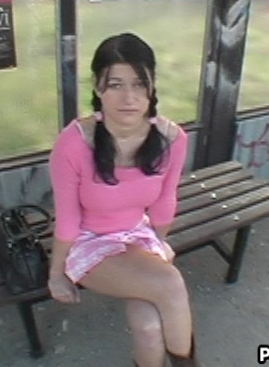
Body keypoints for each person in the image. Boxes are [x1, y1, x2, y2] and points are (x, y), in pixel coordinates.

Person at [48, 33, 204, 367]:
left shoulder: (171, 139)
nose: (129, 98)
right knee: (171, 284)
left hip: (137, 235)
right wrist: (56, 274)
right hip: (87, 242)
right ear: (97, 87)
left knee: (150, 329)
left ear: (152, 86)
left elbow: (164, 202)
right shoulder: (74, 143)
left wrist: (158, 244)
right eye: (116, 84)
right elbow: (68, 220)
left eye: (139, 84)